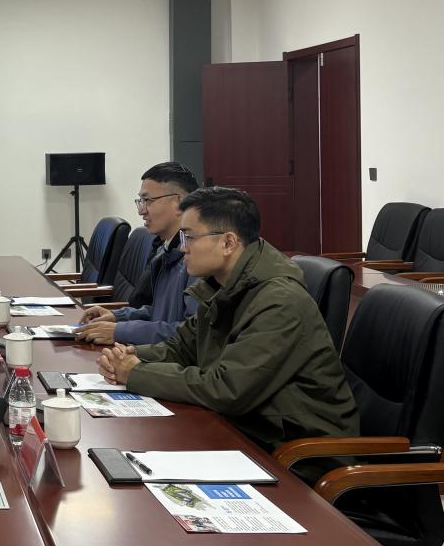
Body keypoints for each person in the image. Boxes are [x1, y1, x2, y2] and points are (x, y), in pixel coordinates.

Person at [97, 187, 359, 455]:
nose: (183, 248)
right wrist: (128, 356)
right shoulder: (221, 286)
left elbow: (226, 389)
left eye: (189, 237)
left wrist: (136, 373)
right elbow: (182, 348)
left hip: (296, 453)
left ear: (228, 243)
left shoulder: (280, 302)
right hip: (246, 429)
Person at [76, 161, 199, 346]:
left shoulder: (197, 260)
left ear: (179, 202)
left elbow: (191, 334)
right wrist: (118, 317)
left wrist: (121, 331)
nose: (141, 211)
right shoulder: (165, 250)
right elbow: (160, 314)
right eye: (140, 201)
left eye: (148, 200)